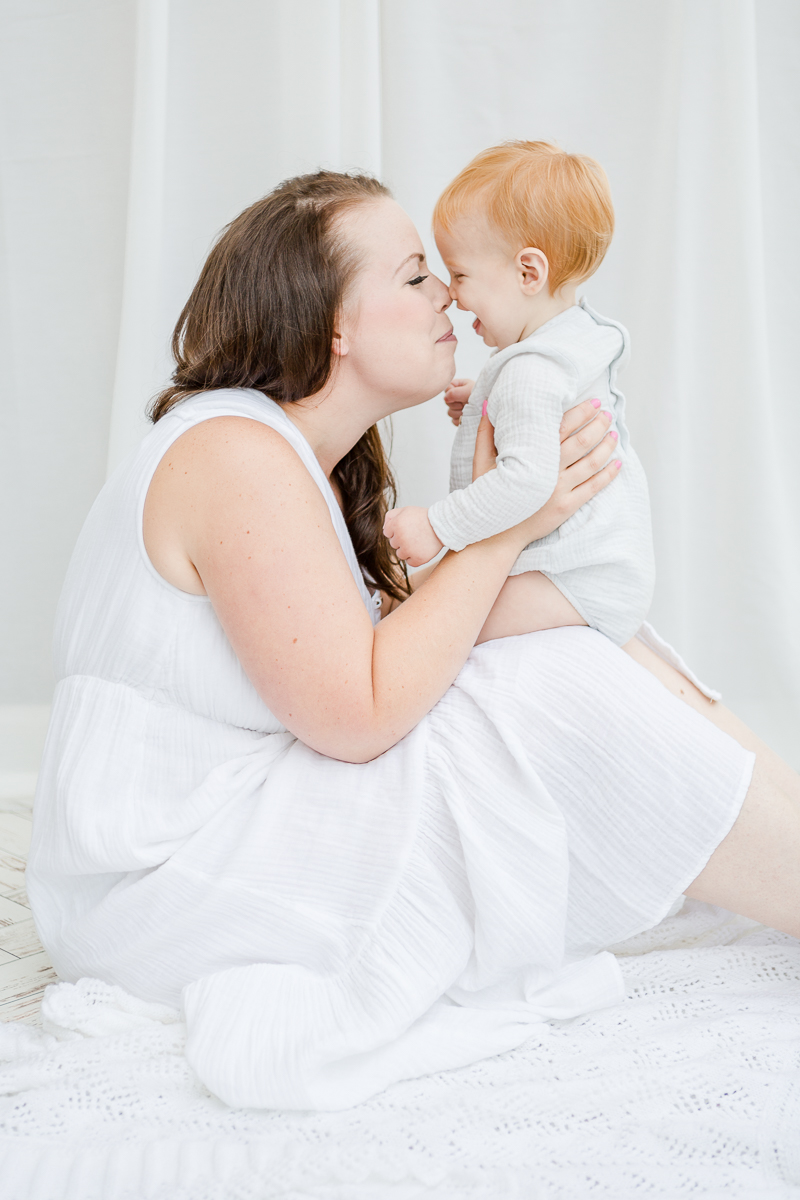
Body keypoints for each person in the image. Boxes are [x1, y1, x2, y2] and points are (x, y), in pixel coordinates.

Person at [27, 171, 800, 1114]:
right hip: (164, 886)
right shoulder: (233, 453)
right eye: (412, 276)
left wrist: (515, 531)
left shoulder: (291, 455)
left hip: (226, 831)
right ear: (333, 325)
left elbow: (410, 646)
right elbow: (358, 714)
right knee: (552, 680)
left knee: (575, 631)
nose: (447, 293)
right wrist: (511, 522)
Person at [383, 141, 654, 647]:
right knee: (422, 606)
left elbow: (527, 482)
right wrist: (487, 402)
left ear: (529, 273)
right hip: (601, 572)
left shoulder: (531, 370)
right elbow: (545, 416)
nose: (451, 294)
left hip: (570, 579)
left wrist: (436, 526)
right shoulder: (570, 338)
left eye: (461, 274)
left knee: (425, 632)